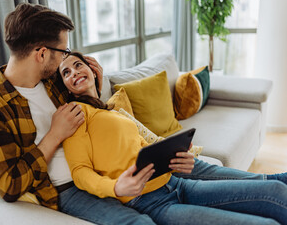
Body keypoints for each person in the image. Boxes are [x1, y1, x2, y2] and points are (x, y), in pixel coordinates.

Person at [0, 3, 159, 224]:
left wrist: (95, 88)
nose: (64, 60)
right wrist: (54, 135)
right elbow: (8, 186)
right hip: (68, 190)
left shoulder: (54, 83)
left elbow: (93, 115)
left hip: (104, 170)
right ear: (42, 54)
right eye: (63, 52)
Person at [59, 52, 287, 225]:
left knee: (276, 190)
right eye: (66, 73)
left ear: (92, 69)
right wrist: (116, 187)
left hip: (176, 183)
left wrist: (178, 157)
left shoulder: (109, 110)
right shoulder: (76, 112)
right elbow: (79, 171)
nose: (74, 73)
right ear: (65, 87)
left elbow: (142, 149)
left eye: (78, 65)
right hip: (152, 203)